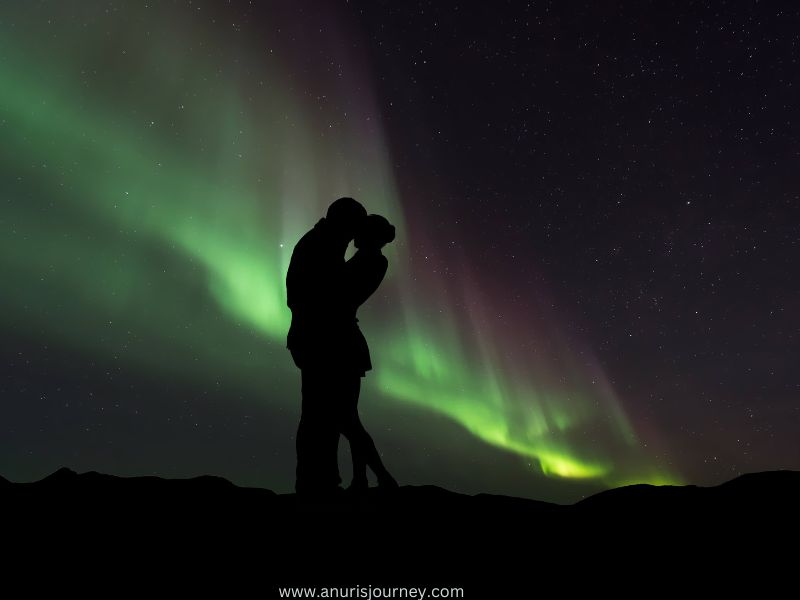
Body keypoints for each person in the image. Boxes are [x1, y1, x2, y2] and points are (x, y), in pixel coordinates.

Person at [285, 197, 367, 495]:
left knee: (323, 415)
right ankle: (316, 484)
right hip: (318, 340)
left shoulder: (324, 243)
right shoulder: (321, 246)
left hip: (316, 339)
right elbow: (312, 297)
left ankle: (319, 481)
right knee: (320, 415)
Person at [340, 214, 399, 491]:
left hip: (344, 341)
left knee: (347, 419)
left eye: (360, 232)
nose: (354, 236)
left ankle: (381, 477)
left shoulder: (372, 260)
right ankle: (364, 478)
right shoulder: (371, 259)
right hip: (347, 340)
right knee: (349, 417)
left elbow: (342, 291)